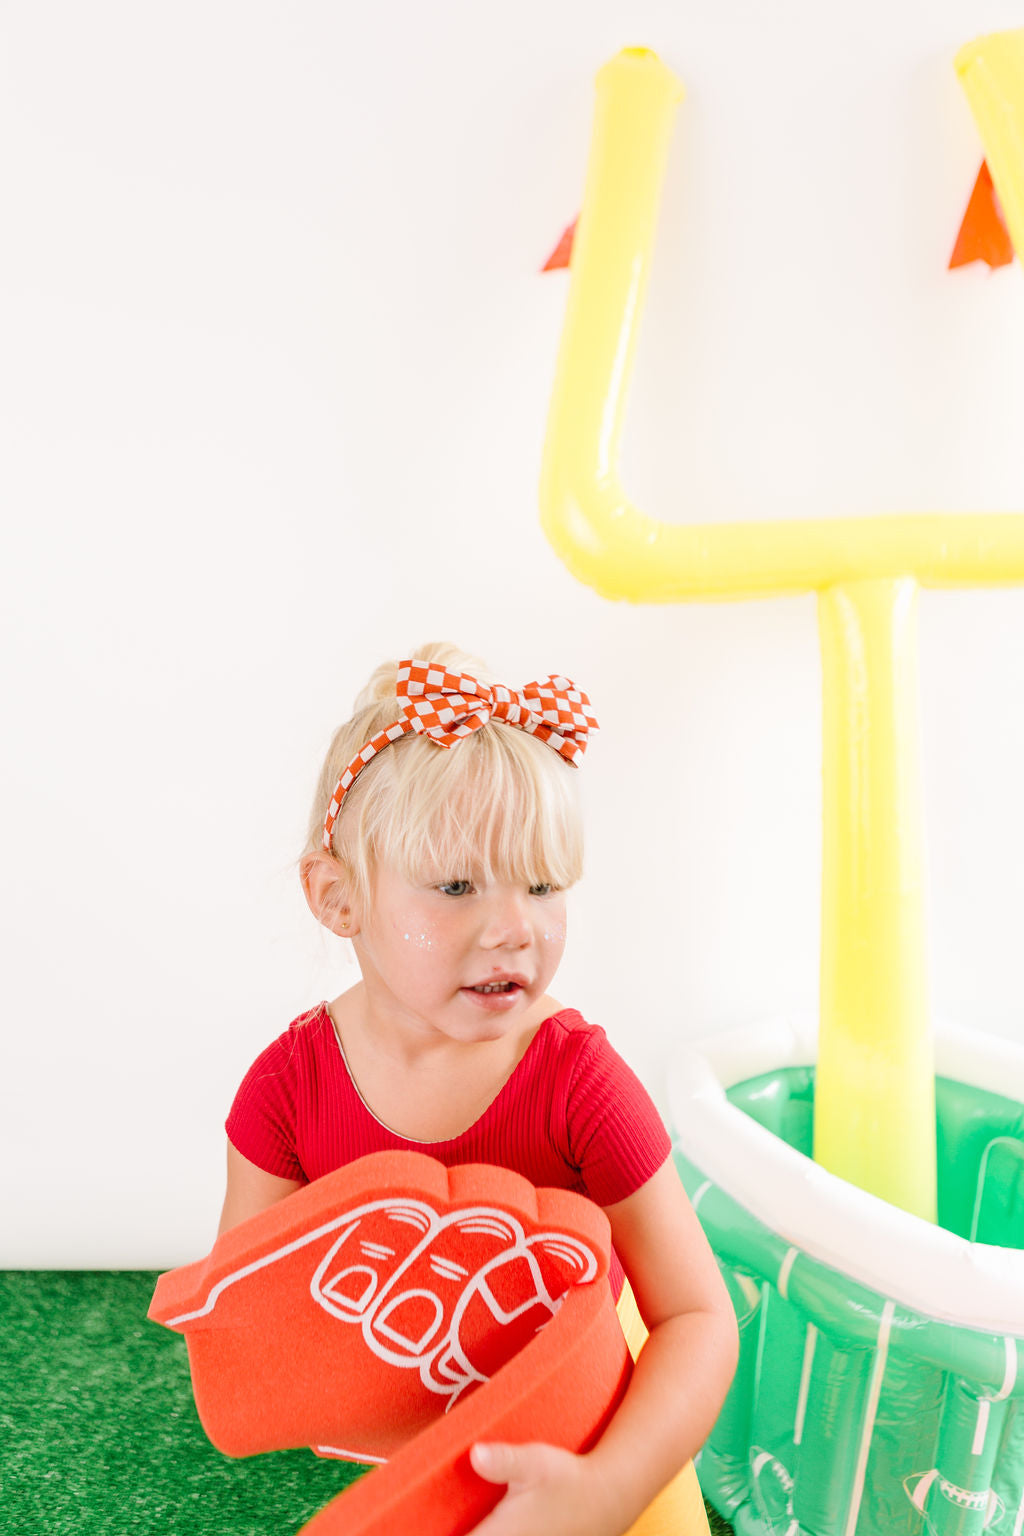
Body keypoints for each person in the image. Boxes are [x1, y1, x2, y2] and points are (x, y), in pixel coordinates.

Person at [219, 642, 738, 1536]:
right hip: (418, 1453)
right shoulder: (285, 1092)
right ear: (339, 899)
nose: (513, 928)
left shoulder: (581, 1081)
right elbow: (251, 1333)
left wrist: (611, 1487)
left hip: (600, 1415)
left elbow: (696, 1318)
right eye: (457, 886)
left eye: (543, 885)